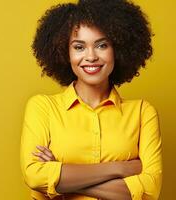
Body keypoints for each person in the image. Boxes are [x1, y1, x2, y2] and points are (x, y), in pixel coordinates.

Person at [19, 0, 162, 199]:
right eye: (79, 47)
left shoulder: (142, 113)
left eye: (101, 45)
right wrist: (119, 168)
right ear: (65, 53)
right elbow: (34, 177)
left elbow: (149, 190)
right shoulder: (43, 108)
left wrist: (60, 179)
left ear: (118, 50)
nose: (91, 56)